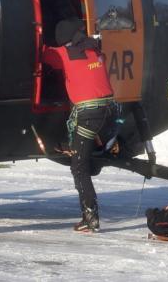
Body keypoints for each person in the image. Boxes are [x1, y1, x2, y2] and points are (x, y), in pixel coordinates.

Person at [43, 18, 117, 233]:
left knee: (78, 167)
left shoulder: (63, 54)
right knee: (84, 152)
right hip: (110, 113)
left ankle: (90, 217)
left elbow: (43, 55)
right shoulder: (95, 50)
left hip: (89, 115)